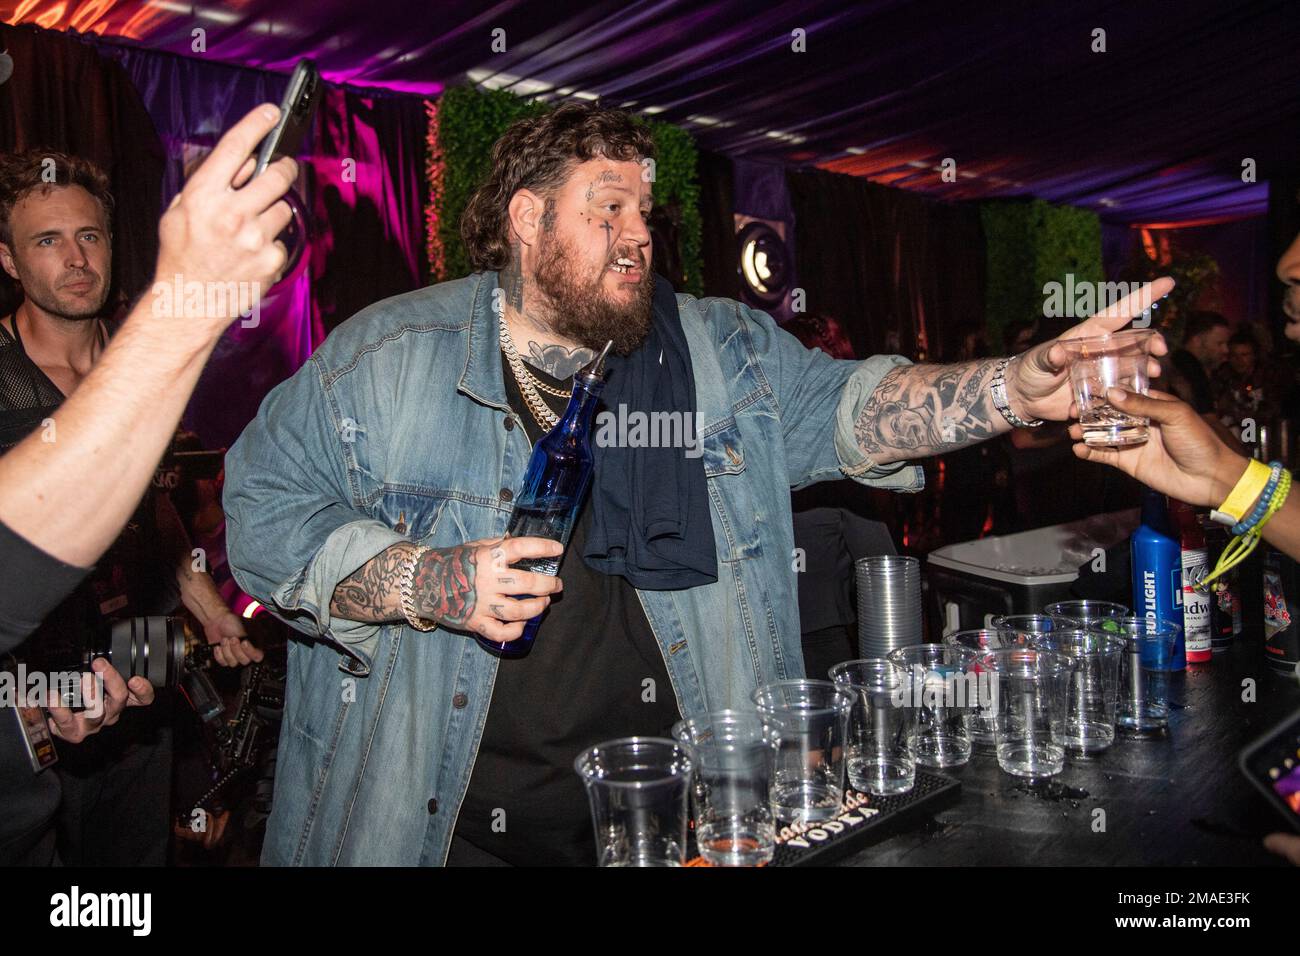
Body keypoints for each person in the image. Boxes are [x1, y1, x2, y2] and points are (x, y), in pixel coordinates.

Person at [223, 101, 1171, 866]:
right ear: (526, 217)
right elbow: (260, 515)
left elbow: (856, 408)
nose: (638, 235)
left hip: (683, 822)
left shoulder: (717, 350)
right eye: (609, 209)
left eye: (646, 212)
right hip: (446, 828)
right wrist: (427, 582)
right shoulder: (389, 360)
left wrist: (1014, 386)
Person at [0, 103, 296, 864]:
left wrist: (207, 608)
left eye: (89, 235)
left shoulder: (133, 364)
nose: (75, 258)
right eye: (47, 240)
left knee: (131, 880)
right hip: (30, 697)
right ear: (8, 261)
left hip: (138, 663)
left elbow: (149, 509)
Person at [784, 312, 898, 679]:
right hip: (820, 647)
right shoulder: (840, 460)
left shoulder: (750, 442)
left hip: (748, 640)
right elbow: (882, 571)